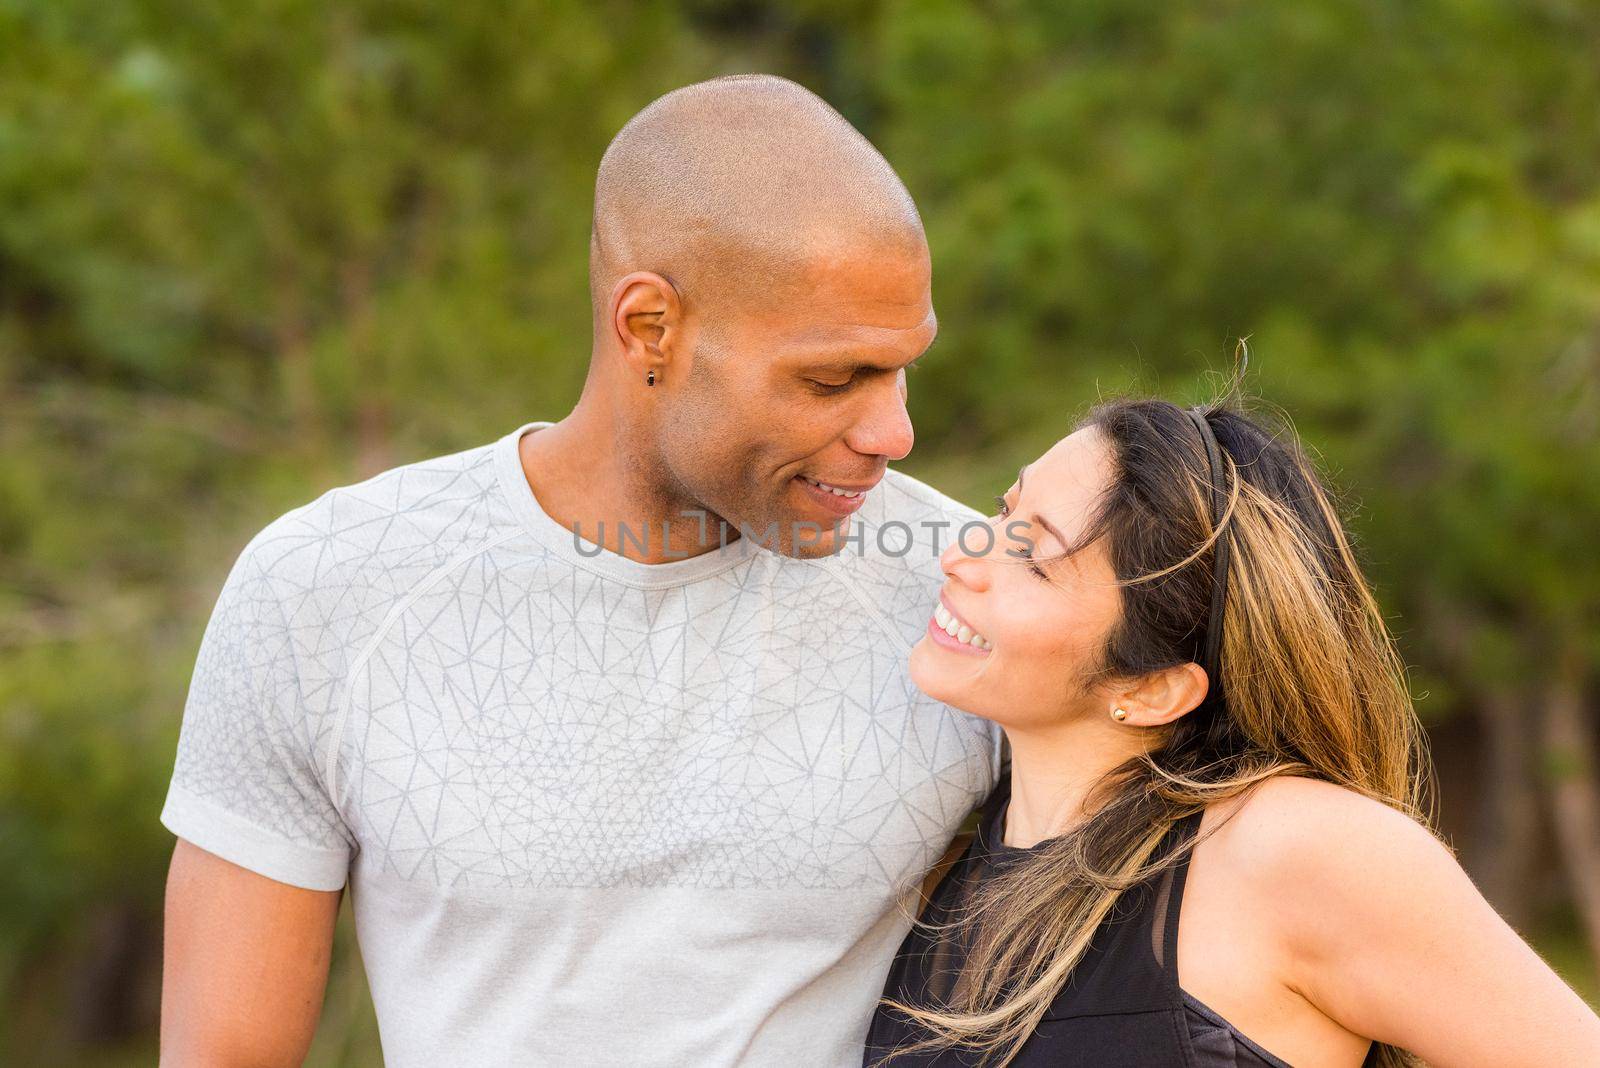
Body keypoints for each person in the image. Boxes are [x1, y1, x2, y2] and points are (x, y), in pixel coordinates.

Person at [158, 74, 1002, 1067]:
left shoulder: (979, 603)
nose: (892, 432)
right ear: (651, 327)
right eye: (831, 379)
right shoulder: (325, 588)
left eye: (903, 366)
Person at [866, 392, 1600, 1067]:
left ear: (1151, 688)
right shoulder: (944, 864)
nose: (961, 554)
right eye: (1003, 510)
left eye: (1032, 560)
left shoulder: (1293, 852)